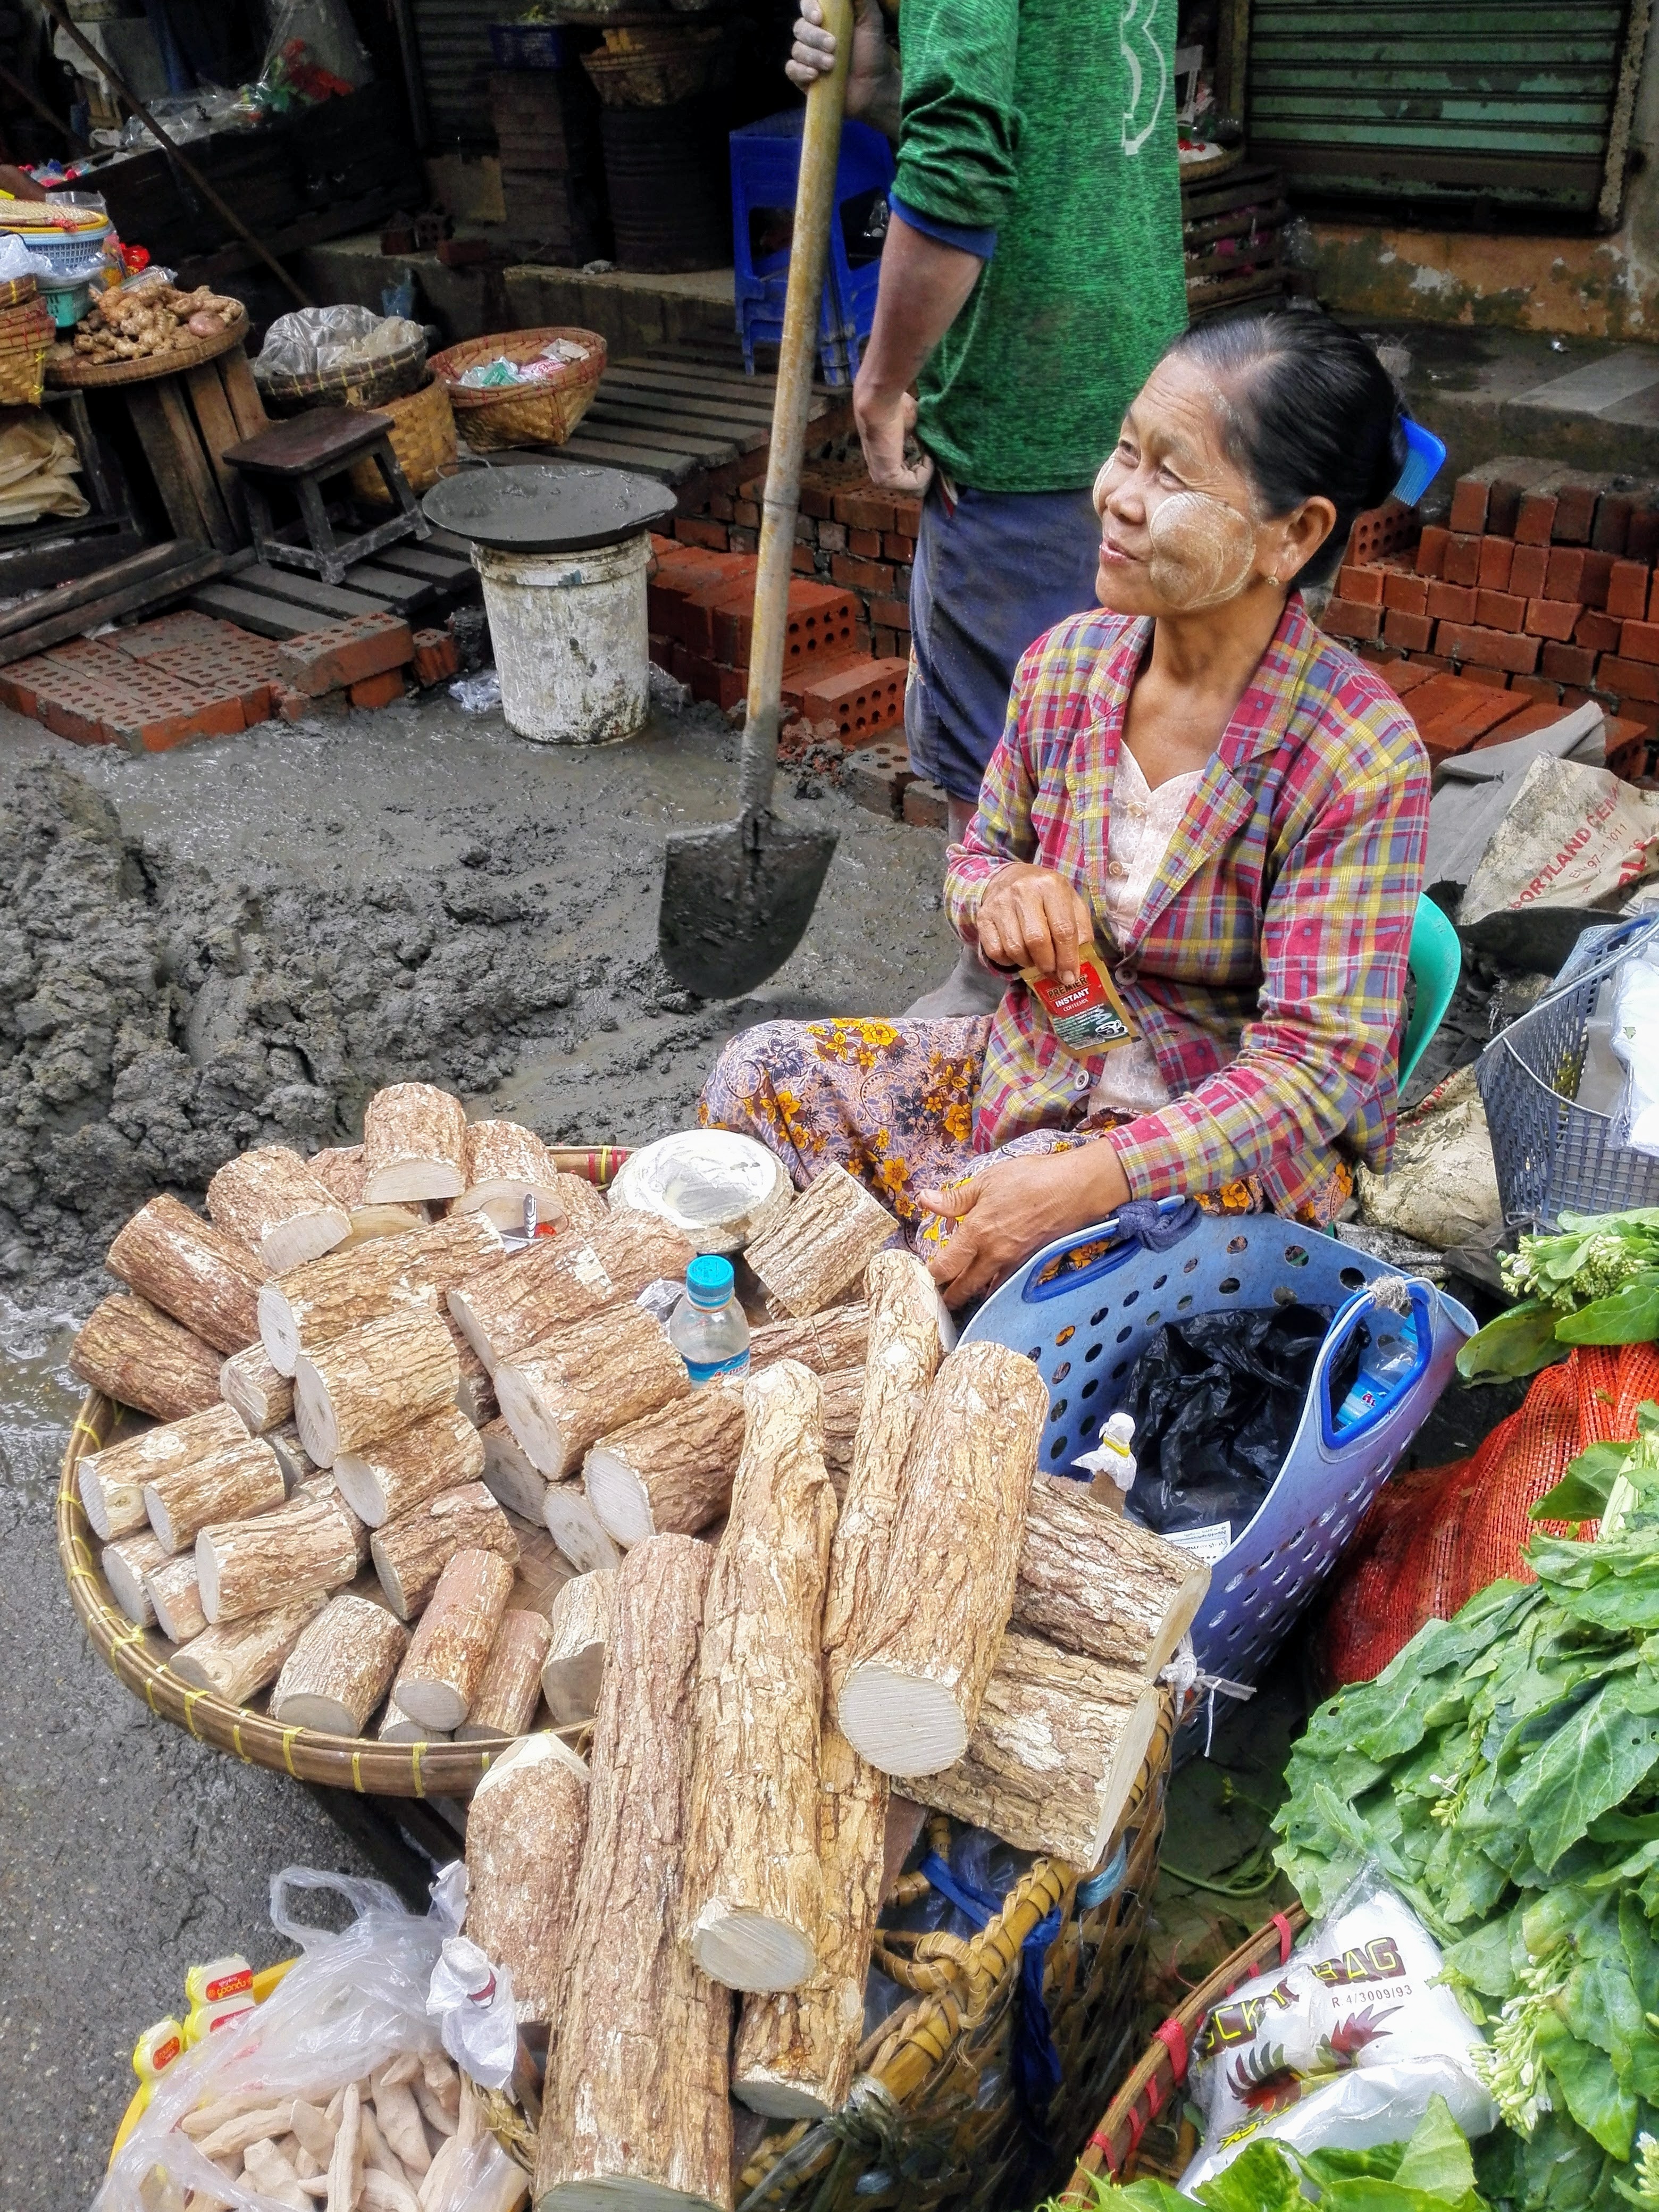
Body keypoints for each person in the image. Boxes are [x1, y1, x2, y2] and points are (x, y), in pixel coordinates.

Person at [702, 313, 1432, 1307]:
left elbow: (1317, 1069)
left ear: (1294, 534)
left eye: (1172, 477)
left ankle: (889, 1332)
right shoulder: (1066, 666)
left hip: (1218, 1133)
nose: (1117, 497)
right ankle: (845, 1314)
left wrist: (1087, 1177)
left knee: (969, 1239)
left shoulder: (1356, 752)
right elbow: (975, 860)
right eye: (1127, 450)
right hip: (1045, 1058)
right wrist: (1001, 892)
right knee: (764, 1073)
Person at [787, 0, 1187, 1015]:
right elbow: (1058, 123)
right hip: (1140, 393)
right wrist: (885, 90)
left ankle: (1001, 1000)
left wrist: (882, 382)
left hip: (1025, 416)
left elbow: (961, 166)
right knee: (1126, 739)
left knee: (1009, 760)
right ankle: (1107, 1000)